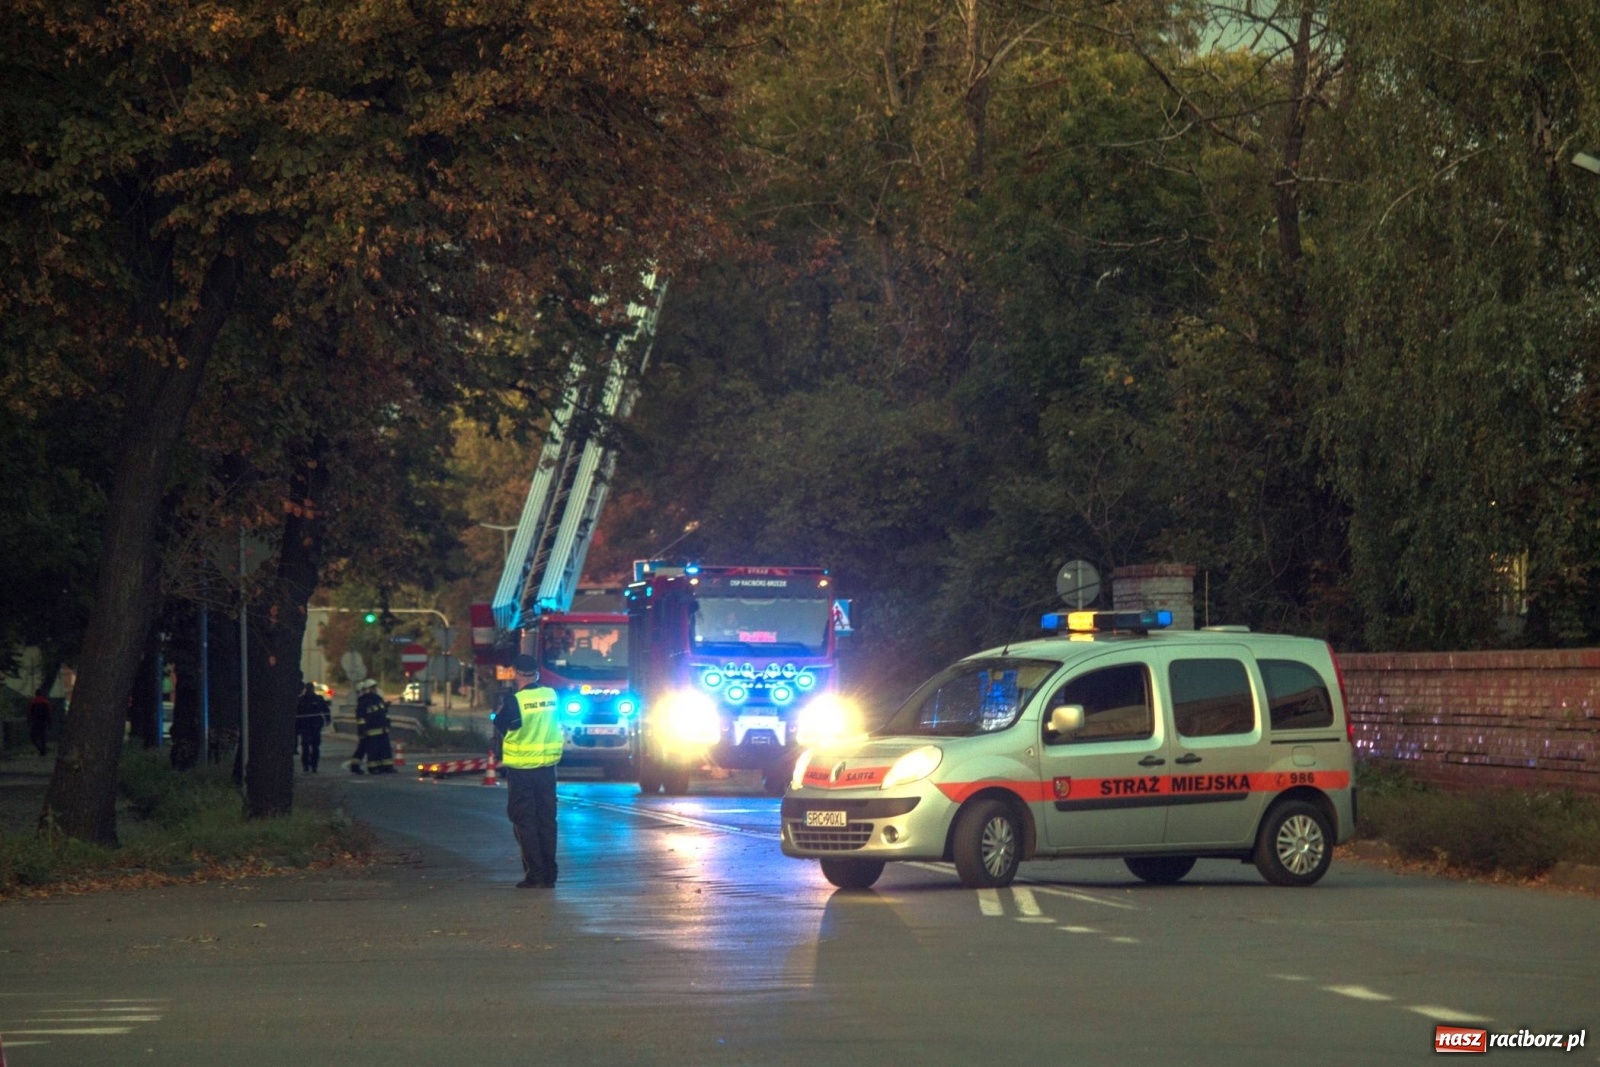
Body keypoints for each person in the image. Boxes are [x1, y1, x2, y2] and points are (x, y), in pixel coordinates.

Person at [493, 653, 563, 888]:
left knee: (525, 820)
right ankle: (550, 874)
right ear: (537, 673)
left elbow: (500, 724)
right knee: (547, 820)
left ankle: (535, 874)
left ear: (515, 673)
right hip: (547, 769)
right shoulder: (552, 695)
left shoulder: (514, 701)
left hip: (522, 770)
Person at [348, 679, 396, 775]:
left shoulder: (377, 698)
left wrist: (387, 721)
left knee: (385, 749)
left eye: (374, 687)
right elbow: (361, 717)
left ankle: (386, 766)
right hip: (371, 731)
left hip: (382, 729)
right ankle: (373, 767)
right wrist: (362, 729)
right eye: (372, 688)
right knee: (372, 750)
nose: (374, 689)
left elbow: (382, 712)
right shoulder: (364, 701)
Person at [294, 683, 332, 773]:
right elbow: (296, 713)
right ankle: (306, 765)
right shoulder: (301, 700)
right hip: (305, 727)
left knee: (314, 747)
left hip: (315, 726)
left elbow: (325, 710)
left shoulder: (318, 699)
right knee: (306, 747)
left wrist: (327, 719)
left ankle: (313, 765)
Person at [27, 687, 51, 757]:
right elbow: (48, 713)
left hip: (35, 722)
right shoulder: (46, 702)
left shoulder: (33, 702)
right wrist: (49, 723)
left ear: (36, 694)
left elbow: (30, 713)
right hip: (43, 722)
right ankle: (44, 751)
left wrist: (29, 722)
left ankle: (40, 749)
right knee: (43, 737)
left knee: (33, 737)